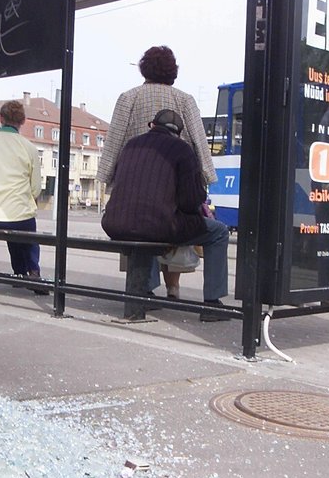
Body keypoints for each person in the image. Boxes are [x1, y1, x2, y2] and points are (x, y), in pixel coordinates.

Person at [98, 45, 217, 296]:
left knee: (141, 223)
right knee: (172, 220)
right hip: (175, 180)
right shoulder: (184, 100)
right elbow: (199, 140)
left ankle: (145, 288)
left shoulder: (128, 98)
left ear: (144, 69)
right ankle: (173, 287)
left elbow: (114, 140)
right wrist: (207, 175)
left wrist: (106, 176)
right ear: (173, 71)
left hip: (134, 179)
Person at [102, 109, 231, 321]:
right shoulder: (182, 150)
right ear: (178, 133)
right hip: (155, 226)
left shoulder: (131, 145)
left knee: (147, 225)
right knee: (218, 232)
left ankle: (147, 291)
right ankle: (212, 303)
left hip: (114, 222)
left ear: (151, 125)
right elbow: (191, 201)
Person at [0, 99, 46, 291]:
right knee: (25, 225)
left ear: (0, 118)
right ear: (23, 121)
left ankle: (18, 273)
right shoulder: (28, 147)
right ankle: (32, 272)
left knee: (14, 222)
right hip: (18, 217)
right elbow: (36, 188)